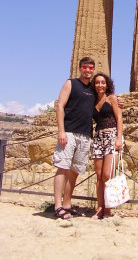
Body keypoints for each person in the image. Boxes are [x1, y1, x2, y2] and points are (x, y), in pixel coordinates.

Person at [52, 56, 96, 220]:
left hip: (85, 135)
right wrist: (61, 131)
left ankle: (67, 205)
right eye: (85, 67)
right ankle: (57, 206)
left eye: (91, 68)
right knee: (62, 167)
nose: (88, 70)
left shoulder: (92, 89)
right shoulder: (71, 83)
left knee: (75, 171)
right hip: (69, 132)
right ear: (80, 68)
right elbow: (60, 106)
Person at [91, 72, 123, 220]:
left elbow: (119, 117)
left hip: (111, 137)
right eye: (97, 82)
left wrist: (118, 139)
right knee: (98, 176)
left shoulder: (112, 98)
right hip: (98, 138)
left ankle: (108, 209)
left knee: (107, 175)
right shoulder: (92, 101)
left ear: (107, 84)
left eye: (103, 82)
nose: (100, 85)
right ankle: (100, 208)